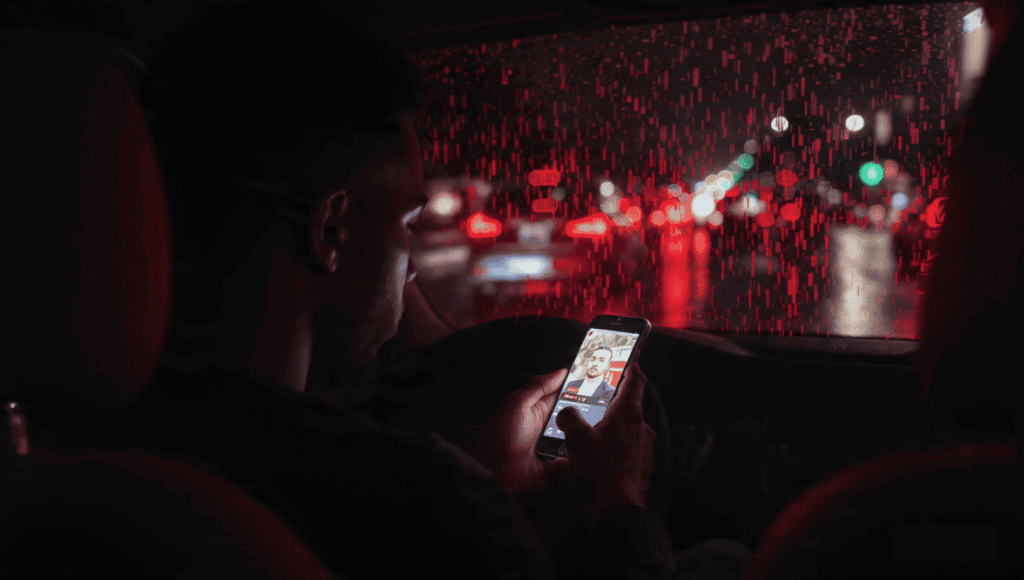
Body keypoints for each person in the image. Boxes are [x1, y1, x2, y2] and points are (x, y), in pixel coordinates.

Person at [103, 3, 680, 578]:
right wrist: (620, 502)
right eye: (407, 224)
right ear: (329, 231)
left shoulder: (99, 442)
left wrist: (488, 477)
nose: (410, 271)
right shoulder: (421, 501)